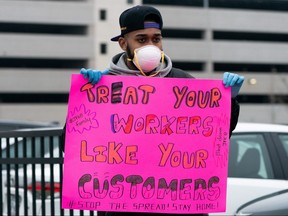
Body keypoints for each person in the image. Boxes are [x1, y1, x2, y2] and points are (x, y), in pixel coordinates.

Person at [62, 5, 244, 216]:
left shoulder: (183, 83)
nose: (151, 45)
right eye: (141, 39)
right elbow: (69, 146)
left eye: (156, 38)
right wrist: (86, 99)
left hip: (178, 207)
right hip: (123, 209)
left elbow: (215, 138)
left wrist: (228, 101)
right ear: (123, 43)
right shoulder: (104, 87)